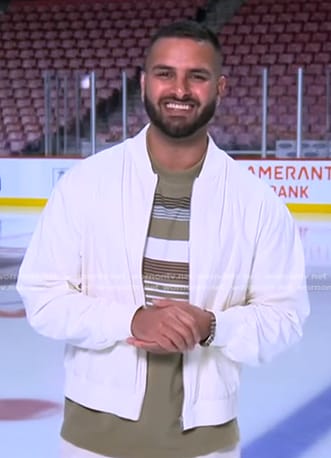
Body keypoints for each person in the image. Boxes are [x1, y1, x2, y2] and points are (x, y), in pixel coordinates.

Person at [17, 20, 310, 458]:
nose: (180, 89)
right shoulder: (86, 184)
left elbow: (285, 319)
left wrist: (213, 326)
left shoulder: (256, 203)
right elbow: (42, 297)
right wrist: (131, 321)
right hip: (91, 444)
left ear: (221, 86)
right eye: (165, 73)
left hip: (206, 446)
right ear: (143, 82)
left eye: (197, 75)